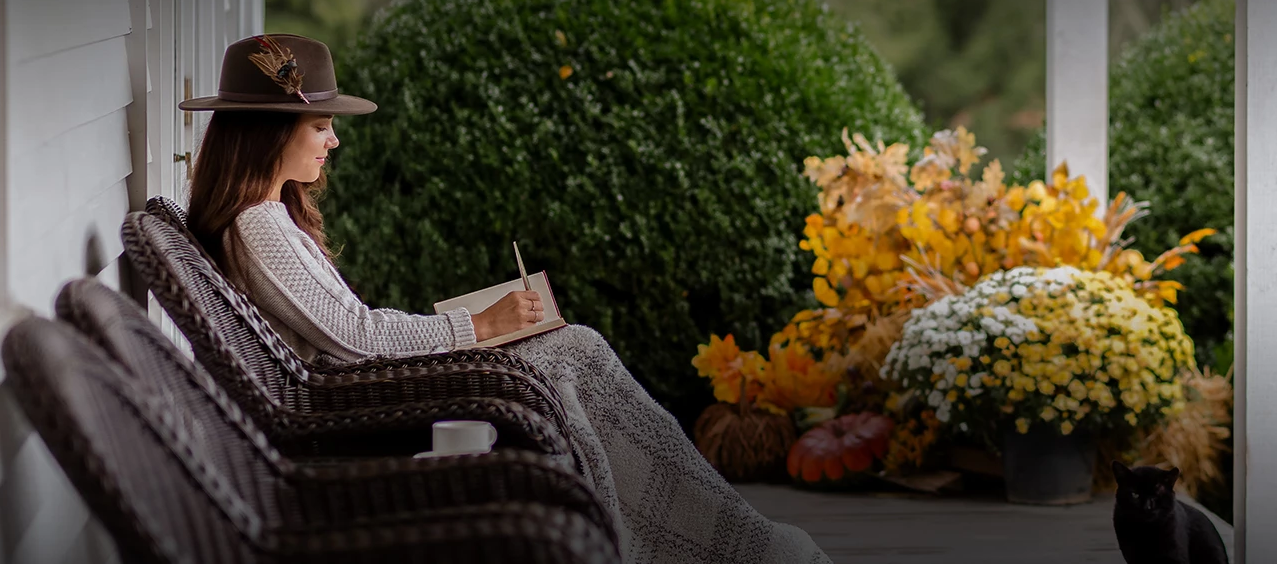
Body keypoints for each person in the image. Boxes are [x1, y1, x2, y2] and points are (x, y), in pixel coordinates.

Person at [178, 33, 830, 564]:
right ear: (273, 129)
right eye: (321, 124)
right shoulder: (258, 224)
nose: (334, 140)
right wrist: (478, 326)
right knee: (573, 351)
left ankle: (710, 541)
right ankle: (728, 545)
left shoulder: (266, 218)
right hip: (360, 407)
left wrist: (484, 328)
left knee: (571, 351)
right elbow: (359, 337)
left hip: (361, 392)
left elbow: (350, 332)